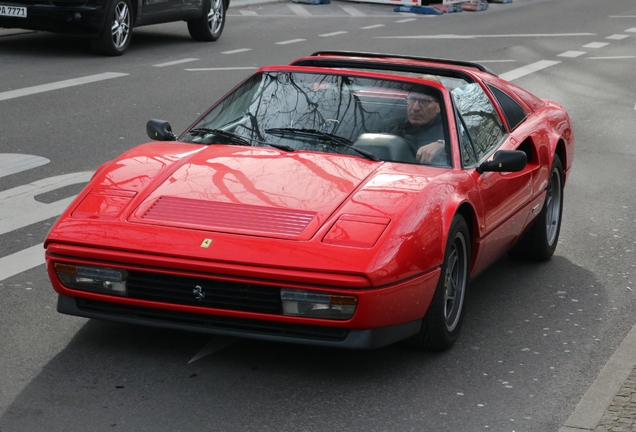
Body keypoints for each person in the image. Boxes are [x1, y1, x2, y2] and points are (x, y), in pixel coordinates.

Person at [383, 77, 447, 165]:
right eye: (412, 99)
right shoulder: (388, 126)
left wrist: (444, 145)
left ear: (439, 106)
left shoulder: (449, 130)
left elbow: (465, 149)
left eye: (424, 101)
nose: (415, 108)